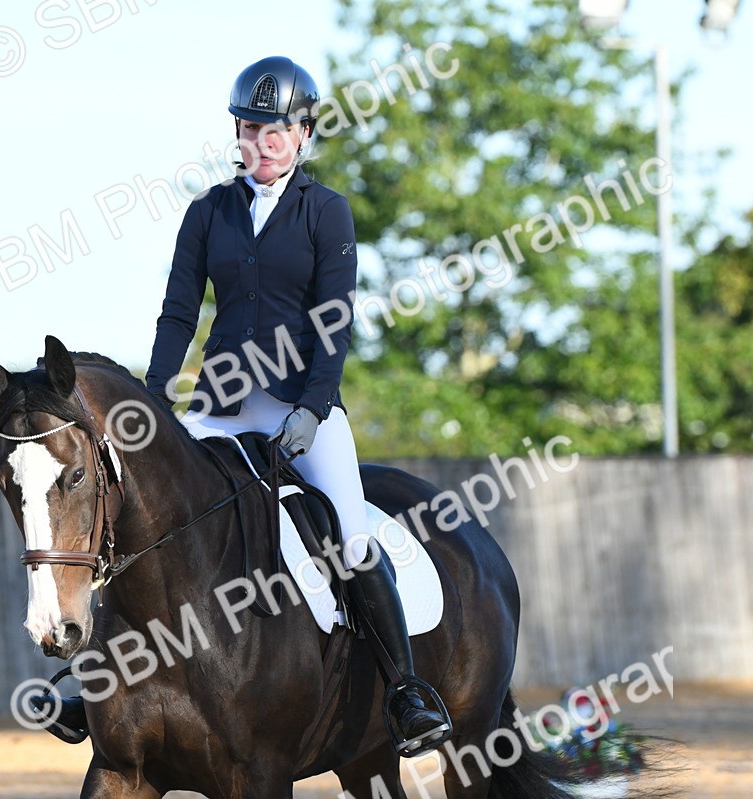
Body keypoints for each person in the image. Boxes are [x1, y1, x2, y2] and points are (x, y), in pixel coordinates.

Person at [142, 56, 450, 756]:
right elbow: (179, 311)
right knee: (150, 511)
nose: (263, 142)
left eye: (277, 130)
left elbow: (334, 319)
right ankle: (103, 680)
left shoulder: (325, 210)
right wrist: (156, 395)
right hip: (221, 404)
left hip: (301, 408)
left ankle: (405, 691)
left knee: (350, 535)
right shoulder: (207, 212)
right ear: (237, 134)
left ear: (304, 134)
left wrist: (312, 408)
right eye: (251, 129)